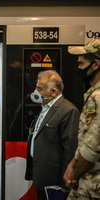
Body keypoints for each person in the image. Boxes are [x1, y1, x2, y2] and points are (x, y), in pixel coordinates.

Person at [24, 70, 80, 200]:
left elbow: (69, 149)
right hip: (41, 175)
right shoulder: (46, 106)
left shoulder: (68, 111)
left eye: (39, 89)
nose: (35, 92)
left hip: (54, 181)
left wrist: (63, 184)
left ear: (53, 92)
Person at [64, 38, 100, 199]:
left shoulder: (97, 98)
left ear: (96, 65)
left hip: (91, 185)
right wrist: (73, 162)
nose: (78, 69)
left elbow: (91, 150)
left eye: (81, 64)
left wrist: (73, 174)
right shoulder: (92, 93)